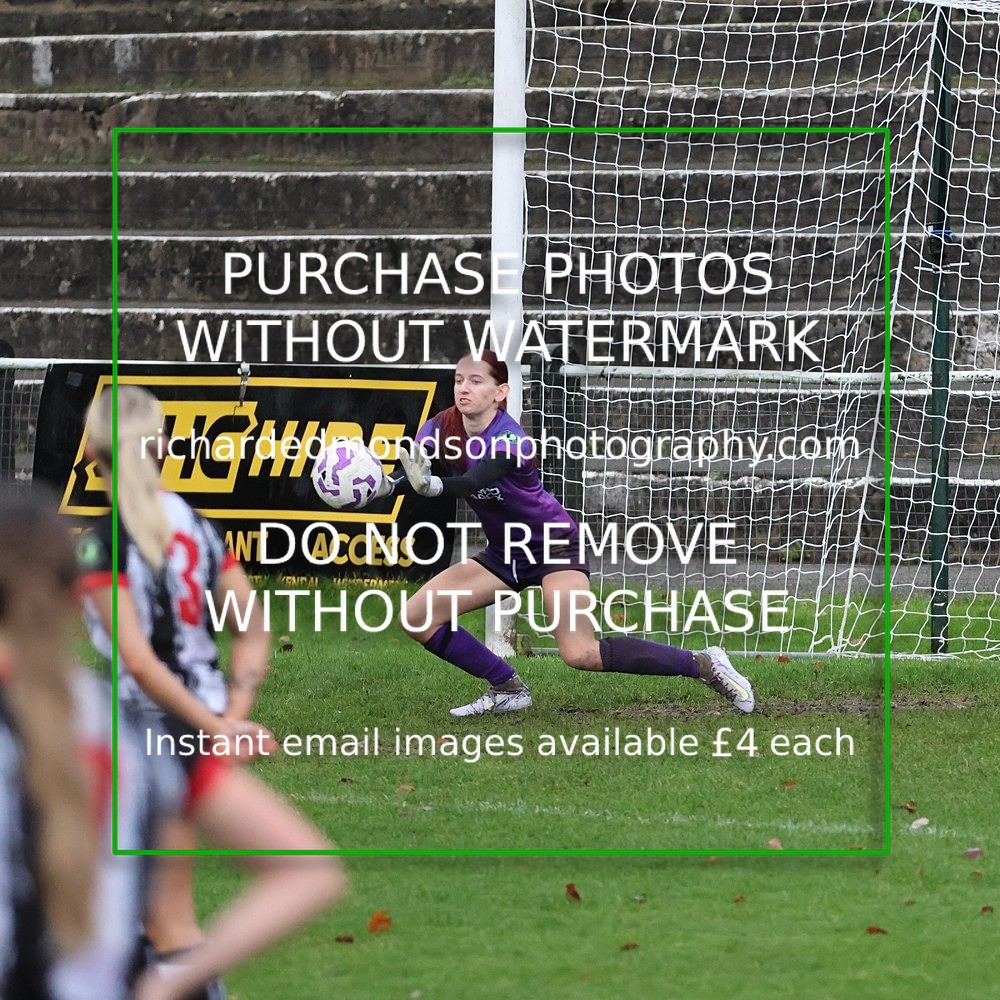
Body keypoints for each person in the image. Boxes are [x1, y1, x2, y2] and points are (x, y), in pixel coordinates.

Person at [0, 484, 345, 1000]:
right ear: (77, 596)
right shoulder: (135, 734)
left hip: (179, 707)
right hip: (183, 712)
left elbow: (140, 658)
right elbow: (308, 871)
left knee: (168, 920)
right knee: (171, 920)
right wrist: (164, 988)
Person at [74, 384, 299, 994]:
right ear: (165, 446)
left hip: (145, 739)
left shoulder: (101, 538)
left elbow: (141, 664)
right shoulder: (198, 527)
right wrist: (229, 713)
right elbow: (252, 631)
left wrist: (214, 724)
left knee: (161, 919)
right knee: (152, 916)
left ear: (93, 451)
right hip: (197, 730)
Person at [384, 350, 755, 717]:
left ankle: (705, 664)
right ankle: (507, 688)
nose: (463, 388)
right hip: (504, 554)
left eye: (476, 381)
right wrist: (385, 486)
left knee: (580, 653)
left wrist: (430, 487)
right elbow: (417, 469)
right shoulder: (440, 425)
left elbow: (471, 482)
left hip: (554, 549)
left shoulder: (511, 440)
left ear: (501, 393)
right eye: (459, 380)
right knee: (418, 616)